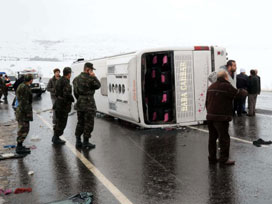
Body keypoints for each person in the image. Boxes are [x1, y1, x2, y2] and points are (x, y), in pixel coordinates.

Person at [206, 70, 247, 165]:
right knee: (224, 138)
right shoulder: (226, 86)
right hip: (221, 118)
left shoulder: (211, 86)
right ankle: (224, 159)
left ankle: (212, 158)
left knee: (212, 138)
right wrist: (244, 91)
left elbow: (207, 102)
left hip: (210, 116)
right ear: (226, 77)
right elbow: (237, 94)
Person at [73, 62, 101, 149]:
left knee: (80, 122)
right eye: (91, 69)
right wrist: (94, 76)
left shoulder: (76, 79)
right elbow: (98, 85)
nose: (92, 71)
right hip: (89, 104)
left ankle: (78, 141)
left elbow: (75, 92)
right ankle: (86, 142)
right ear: (88, 69)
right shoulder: (91, 78)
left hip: (80, 103)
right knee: (89, 123)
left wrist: (80, 99)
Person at [52, 67, 74, 145]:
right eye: (70, 73)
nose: (71, 75)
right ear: (68, 74)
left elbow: (55, 92)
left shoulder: (59, 80)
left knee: (58, 121)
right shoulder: (65, 81)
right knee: (62, 122)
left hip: (58, 103)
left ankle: (55, 137)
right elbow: (67, 94)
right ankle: (56, 138)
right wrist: (72, 99)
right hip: (62, 106)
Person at [15, 74, 33, 154]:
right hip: (23, 112)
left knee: (23, 129)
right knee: (24, 129)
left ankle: (20, 145)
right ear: (30, 79)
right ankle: (19, 147)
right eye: (32, 79)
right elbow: (24, 102)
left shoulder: (22, 85)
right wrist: (27, 113)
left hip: (21, 111)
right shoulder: (24, 87)